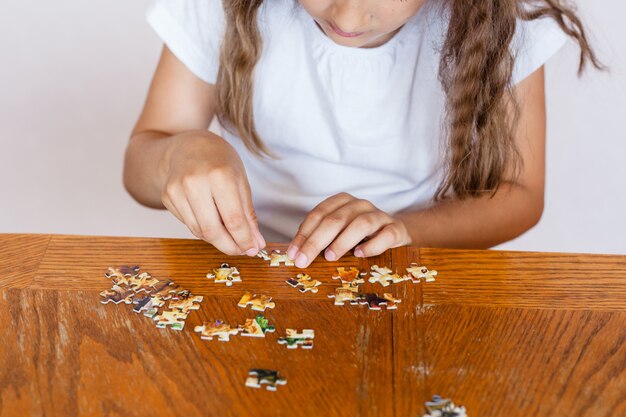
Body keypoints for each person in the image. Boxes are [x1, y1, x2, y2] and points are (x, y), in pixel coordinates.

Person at [123, 0, 601, 268]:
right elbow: (142, 159)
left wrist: (403, 230)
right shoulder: (218, 7)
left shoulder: (507, 17)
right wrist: (180, 152)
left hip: (414, 263)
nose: (347, 17)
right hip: (254, 266)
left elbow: (520, 195)